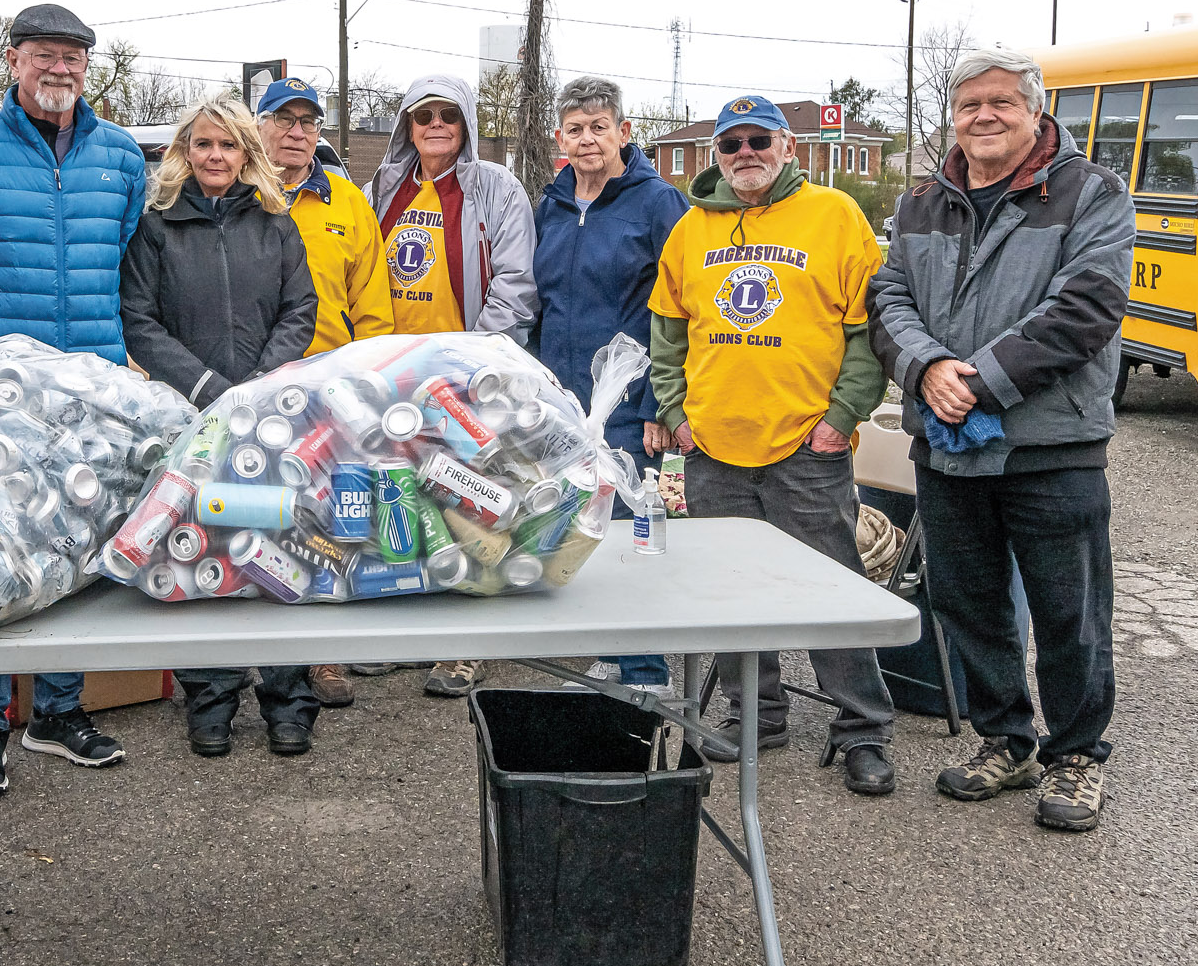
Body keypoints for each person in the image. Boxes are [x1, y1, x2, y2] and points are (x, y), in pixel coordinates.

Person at [868, 48, 1134, 832]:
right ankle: (1005, 739)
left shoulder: (1090, 193)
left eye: (1000, 103)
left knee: (1068, 612)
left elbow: (1085, 308)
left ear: (1033, 110)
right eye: (969, 104)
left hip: (1052, 445)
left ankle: (1078, 756)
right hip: (948, 447)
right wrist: (925, 368)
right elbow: (888, 295)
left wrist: (975, 380)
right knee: (967, 601)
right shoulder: (925, 201)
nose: (983, 116)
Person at [0, 3, 147, 797]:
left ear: (90, 68)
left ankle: (58, 710)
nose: (61, 69)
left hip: (89, 384)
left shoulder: (120, 156)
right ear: (12, 60)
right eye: (45, 54)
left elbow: (121, 263)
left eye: (75, 58)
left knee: (77, 545)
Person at [648, 96, 897, 796]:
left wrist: (842, 415)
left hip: (805, 443)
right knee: (731, 593)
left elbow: (865, 333)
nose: (746, 152)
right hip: (714, 448)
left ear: (788, 147)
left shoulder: (835, 215)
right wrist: (677, 412)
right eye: (732, 144)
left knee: (831, 589)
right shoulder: (692, 229)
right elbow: (666, 332)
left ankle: (862, 729)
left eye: (761, 140)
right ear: (715, 156)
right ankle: (756, 713)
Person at [120, 91, 320, 756]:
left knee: (280, 552)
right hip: (192, 413)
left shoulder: (275, 222)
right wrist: (209, 389)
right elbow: (140, 321)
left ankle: (289, 699)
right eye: (202, 144)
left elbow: (301, 307)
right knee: (200, 548)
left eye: (227, 144)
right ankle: (210, 698)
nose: (215, 155)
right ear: (184, 152)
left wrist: (260, 387)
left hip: (270, 416)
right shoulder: (157, 225)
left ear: (247, 153)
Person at [364, 73, 536, 699]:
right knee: (398, 499)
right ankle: (402, 630)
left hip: (467, 377)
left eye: (448, 115)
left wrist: (468, 360)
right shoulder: (382, 188)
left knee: (469, 503)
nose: (435, 125)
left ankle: (465, 645)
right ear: (406, 124)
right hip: (392, 375)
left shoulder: (496, 188)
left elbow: (516, 283)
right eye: (422, 115)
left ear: (466, 123)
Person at [530, 76, 688, 697]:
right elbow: (542, 301)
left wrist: (657, 405)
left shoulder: (657, 203)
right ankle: (609, 650)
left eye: (600, 126)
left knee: (630, 528)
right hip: (565, 399)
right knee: (581, 524)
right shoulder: (553, 203)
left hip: (628, 399)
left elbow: (678, 310)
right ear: (560, 139)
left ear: (624, 132)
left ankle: (647, 671)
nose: (588, 139)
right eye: (575, 128)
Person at [254, 75, 395, 709]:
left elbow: (372, 298)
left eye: (309, 121)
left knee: (336, 517)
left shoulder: (347, 202)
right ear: (258, 127)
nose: (297, 131)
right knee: (265, 517)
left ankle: (328, 653)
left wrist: (372, 375)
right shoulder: (241, 194)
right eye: (283, 119)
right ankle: (260, 653)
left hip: (333, 382)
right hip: (257, 382)